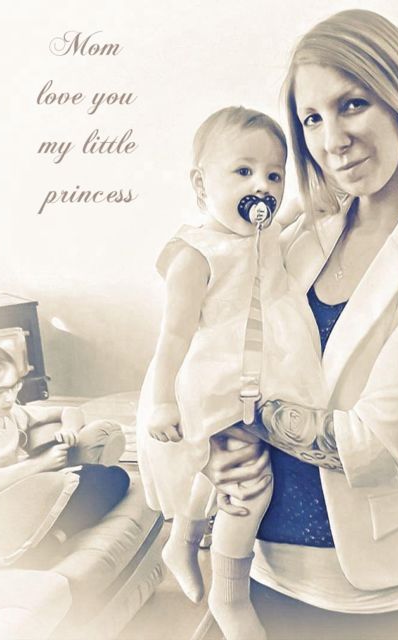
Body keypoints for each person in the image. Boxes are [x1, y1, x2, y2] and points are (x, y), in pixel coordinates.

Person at [200, 9, 398, 640]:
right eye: (312, 118)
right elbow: (225, 347)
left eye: (353, 104)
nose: (332, 139)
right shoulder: (303, 234)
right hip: (258, 564)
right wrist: (207, 448)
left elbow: (369, 442)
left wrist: (231, 414)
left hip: (365, 592)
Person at [135, 107, 328, 640]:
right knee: (248, 483)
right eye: (243, 172)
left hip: (262, 374)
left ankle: (182, 541)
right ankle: (230, 595)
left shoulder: (262, 235)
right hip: (215, 382)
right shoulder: (196, 255)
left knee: (214, 470)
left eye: (274, 174)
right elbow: (172, 338)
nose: (261, 187)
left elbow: (291, 216)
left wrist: (317, 198)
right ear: (201, 185)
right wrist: (162, 401)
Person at [0, 344, 130, 557]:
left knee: (113, 478)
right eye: (0, 391)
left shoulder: (12, 414)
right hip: (2, 511)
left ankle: (53, 539)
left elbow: (70, 411)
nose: (10, 397)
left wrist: (69, 429)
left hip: (30, 493)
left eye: (14, 386)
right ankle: (36, 544)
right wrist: (40, 464)